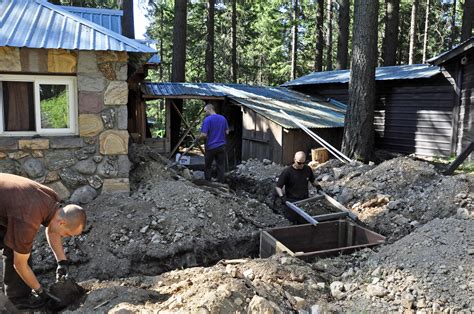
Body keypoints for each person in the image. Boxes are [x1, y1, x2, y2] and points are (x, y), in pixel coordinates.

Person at [0, 173, 86, 310]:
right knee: (21, 251)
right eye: (67, 234)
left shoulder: (51, 200)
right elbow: (19, 264)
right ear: (62, 223)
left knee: (18, 246)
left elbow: (52, 230)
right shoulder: (28, 219)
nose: (66, 237)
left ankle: (18, 299)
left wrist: (62, 262)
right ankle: (15, 301)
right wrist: (40, 291)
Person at [275, 151, 322, 223]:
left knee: (304, 221)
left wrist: (318, 186)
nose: (301, 165)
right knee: (292, 222)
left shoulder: (307, 169)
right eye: (299, 163)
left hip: (305, 201)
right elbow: (278, 187)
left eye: (304, 162)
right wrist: (282, 197)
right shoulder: (287, 172)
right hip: (292, 202)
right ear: (294, 160)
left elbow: (313, 181)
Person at [196, 104, 229, 183]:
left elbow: (204, 135)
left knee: (208, 165)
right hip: (221, 146)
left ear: (210, 109)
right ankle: (221, 182)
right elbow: (227, 132)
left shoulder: (207, 120)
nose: (205, 113)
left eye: (205, 111)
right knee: (221, 165)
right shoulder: (223, 118)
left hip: (211, 147)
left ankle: (208, 182)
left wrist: (198, 139)